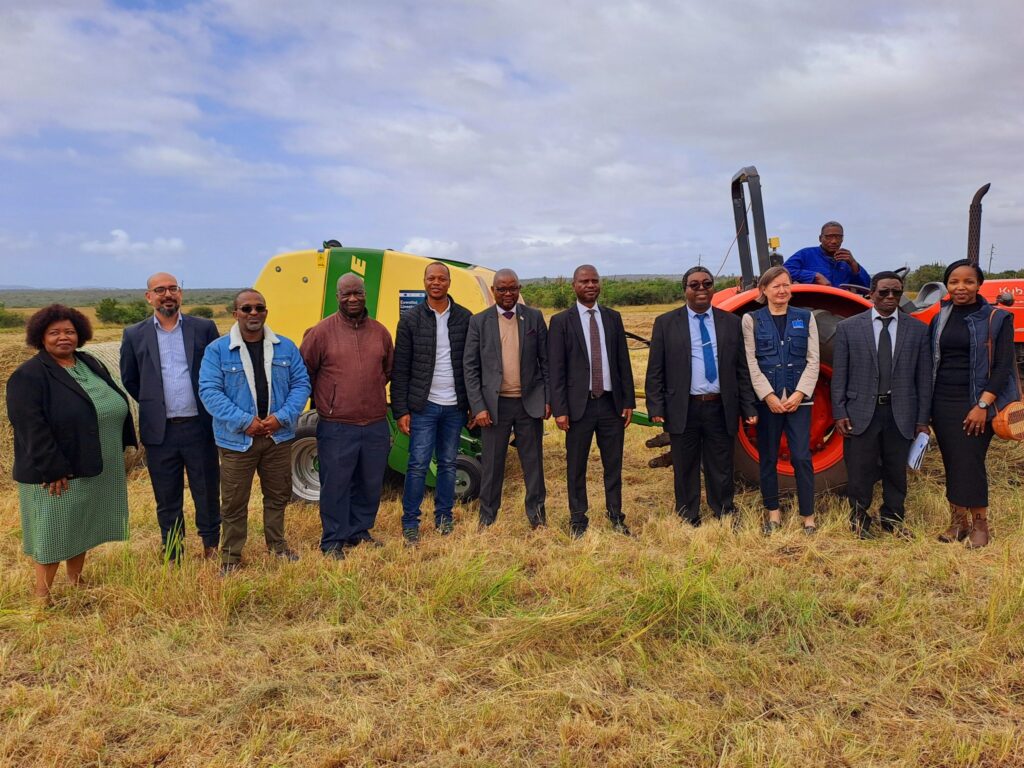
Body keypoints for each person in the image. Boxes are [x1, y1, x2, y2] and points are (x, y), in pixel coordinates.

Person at [7, 305, 137, 602]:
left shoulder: (87, 362)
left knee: (82, 522)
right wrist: (52, 469)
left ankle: (76, 582)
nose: (63, 337)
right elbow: (30, 427)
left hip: (94, 459)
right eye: (55, 333)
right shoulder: (29, 375)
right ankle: (43, 596)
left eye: (70, 331)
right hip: (58, 468)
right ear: (41, 337)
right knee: (54, 528)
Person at [199, 289, 311, 573]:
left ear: (266, 312)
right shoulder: (217, 350)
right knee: (234, 502)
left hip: (278, 436)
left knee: (278, 495)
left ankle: (277, 546)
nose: (253, 314)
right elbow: (209, 392)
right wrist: (244, 421)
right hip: (238, 440)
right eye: (246, 309)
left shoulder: (285, 347)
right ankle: (231, 558)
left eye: (259, 308)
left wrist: (282, 418)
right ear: (235, 313)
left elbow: (301, 385)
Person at [645, 267, 757, 526]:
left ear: (713, 288)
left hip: (720, 405)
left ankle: (723, 510)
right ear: (685, 289)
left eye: (707, 284)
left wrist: (748, 406)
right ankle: (688, 513)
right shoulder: (665, 323)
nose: (701, 289)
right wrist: (656, 406)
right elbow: (655, 370)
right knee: (685, 465)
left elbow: (742, 369)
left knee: (721, 463)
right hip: (684, 406)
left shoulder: (730, 322)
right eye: (694, 285)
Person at [120, 273, 221, 561]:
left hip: (199, 427)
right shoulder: (134, 334)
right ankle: (173, 549)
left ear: (181, 294)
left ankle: (211, 547)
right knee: (166, 497)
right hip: (160, 431)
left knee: (207, 491)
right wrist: (155, 402)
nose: (167, 294)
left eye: (173, 289)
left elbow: (218, 370)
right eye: (160, 289)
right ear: (148, 296)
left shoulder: (204, 328)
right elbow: (130, 379)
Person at [832, 271, 932, 539]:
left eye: (896, 292)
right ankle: (859, 519)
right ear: (871, 293)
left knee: (895, 469)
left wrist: (922, 421)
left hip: (901, 412)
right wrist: (839, 411)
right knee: (860, 470)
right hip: (861, 411)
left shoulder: (918, 330)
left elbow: (923, 379)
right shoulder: (848, 328)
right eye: (884, 292)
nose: (890, 297)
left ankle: (893, 519)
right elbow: (840, 375)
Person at [300, 274, 394, 558]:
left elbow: (387, 370)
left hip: (376, 422)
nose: (353, 299)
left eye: (358, 293)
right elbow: (305, 371)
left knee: (370, 481)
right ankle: (332, 540)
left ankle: (359, 531)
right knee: (336, 484)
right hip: (337, 424)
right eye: (346, 294)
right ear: (337, 297)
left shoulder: (380, 332)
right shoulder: (320, 332)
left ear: (365, 294)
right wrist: (326, 401)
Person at [929, 260, 1018, 548]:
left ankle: (981, 524)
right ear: (947, 285)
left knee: (971, 461)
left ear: (979, 284)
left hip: (976, 402)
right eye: (954, 282)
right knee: (951, 461)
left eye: (968, 281)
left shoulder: (996, 318)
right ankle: (958, 522)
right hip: (942, 400)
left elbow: (1004, 366)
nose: (960, 287)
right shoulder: (940, 317)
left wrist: (983, 404)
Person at [549, 264, 635, 537]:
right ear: (574, 286)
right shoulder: (562, 321)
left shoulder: (613, 318)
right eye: (584, 281)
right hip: (578, 407)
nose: (590, 285)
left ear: (600, 285)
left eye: (594, 281)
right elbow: (556, 369)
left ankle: (615, 515)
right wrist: (560, 409)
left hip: (610, 405)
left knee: (613, 464)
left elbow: (623, 362)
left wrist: (628, 401)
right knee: (576, 465)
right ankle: (578, 519)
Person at [392, 262, 472, 545]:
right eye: (431, 278)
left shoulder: (464, 317)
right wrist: (401, 410)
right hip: (423, 406)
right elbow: (400, 369)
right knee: (417, 465)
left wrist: (472, 404)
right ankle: (411, 521)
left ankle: (444, 517)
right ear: (424, 282)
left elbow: (471, 365)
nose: (436, 282)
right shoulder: (411, 320)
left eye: (441, 278)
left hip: (454, 407)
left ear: (449, 282)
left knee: (449, 463)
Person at [463, 268, 550, 529]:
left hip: (528, 403)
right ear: (493, 291)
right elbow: (471, 367)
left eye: (513, 288)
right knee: (492, 465)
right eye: (502, 289)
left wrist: (546, 398)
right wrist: (478, 407)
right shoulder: (479, 322)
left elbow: (546, 362)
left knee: (533, 464)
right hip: (494, 406)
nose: (508, 293)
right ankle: (487, 518)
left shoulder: (534, 318)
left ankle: (537, 517)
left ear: (519, 288)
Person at [741, 266, 820, 533]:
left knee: (801, 457)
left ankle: (808, 517)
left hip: (799, 402)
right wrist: (768, 396)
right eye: (776, 286)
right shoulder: (752, 320)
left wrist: (799, 394)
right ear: (764, 290)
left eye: (786, 285)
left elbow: (813, 360)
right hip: (769, 402)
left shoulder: (806, 317)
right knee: (768, 458)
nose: (782, 290)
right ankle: (772, 514)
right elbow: (751, 362)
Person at [784, 221, 870, 289]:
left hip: (841, 306)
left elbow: (867, 287)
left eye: (838, 237)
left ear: (842, 239)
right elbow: (783, 271)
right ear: (820, 238)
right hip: (811, 305)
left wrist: (854, 264)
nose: (834, 241)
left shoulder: (847, 262)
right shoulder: (806, 254)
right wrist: (815, 276)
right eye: (829, 237)